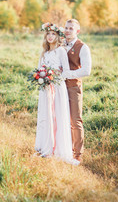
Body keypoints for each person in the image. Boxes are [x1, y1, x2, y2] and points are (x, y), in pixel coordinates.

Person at [35, 22, 80, 165]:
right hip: (46, 88)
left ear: (57, 36)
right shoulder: (44, 53)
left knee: (58, 116)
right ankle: (46, 147)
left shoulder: (61, 51)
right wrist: (43, 78)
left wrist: (53, 77)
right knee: (46, 116)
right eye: (48, 34)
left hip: (58, 87)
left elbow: (65, 72)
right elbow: (39, 69)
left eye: (53, 34)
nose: (50, 36)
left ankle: (59, 149)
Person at [61, 19, 92, 163]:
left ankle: (77, 154)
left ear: (77, 31)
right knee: (61, 118)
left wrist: (68, 74)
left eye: (71, 28)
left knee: (75, 120)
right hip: (59, 86)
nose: (67, 30)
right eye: (66, 28)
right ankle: (63, 149)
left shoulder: (83, 47)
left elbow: (86, 71)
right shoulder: (60, 45)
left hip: (73, 87)